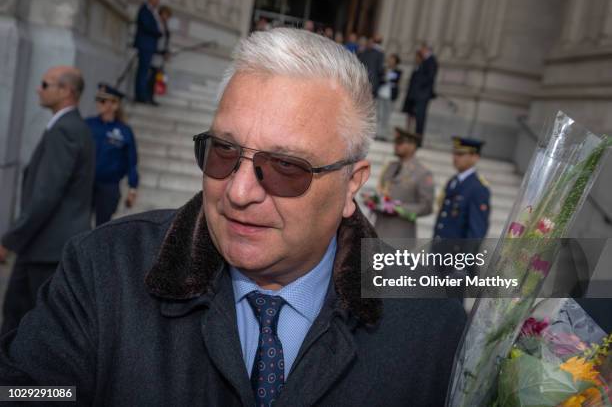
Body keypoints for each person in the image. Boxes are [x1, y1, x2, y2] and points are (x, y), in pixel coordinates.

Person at [0, 29, 465, 405]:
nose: (239, 192)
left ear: (352, 184)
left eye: (286, 167)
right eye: (224, 152)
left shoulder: (428, 318)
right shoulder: (106, 268)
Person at [0, 66, 94, 334]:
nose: (38, 89)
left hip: (46, 248)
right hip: (47, 246)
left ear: (66, 91)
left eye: (45, 83)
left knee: (22, 327)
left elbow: (46, 194)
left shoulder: (65, 130)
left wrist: (10, 240)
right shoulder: (71, 126)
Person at [86, 84, 139, 226]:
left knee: (102, 227)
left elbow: (131, 161)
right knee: (80, 225)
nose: (99, 104)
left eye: (103, 101)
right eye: (98, 99)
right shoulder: (88, 124)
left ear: (115, 105)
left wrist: (132, 189)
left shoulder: (124, 131)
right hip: (85, 183)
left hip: (109, 186)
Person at [375, 128, 434, 239]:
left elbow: (426, 207)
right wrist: (375, 202)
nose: (396, 145)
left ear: (413, 146)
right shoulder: (391, 166)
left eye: (400, 142)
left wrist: (398, 208)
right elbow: (383, 192)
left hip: (400, 235)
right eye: (396, 142)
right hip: (379, 230)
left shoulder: (422, 173)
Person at [434, 137, 490, 240]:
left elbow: (476, 231)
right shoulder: (453, 181)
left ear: (475, 157)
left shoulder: (477, 188)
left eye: (461, 154)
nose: (455, 157)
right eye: (454, 153)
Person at [401, 44, 438, 146]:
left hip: (422, 95)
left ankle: (418, 140)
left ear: (426, 49)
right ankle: (413, 138)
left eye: (422, 48)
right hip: (417, 94)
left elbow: (430, 77)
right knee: (414, 116)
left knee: (420, 118)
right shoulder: (424, 61)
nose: (420, 50)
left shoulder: (431, 61)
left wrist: (419, 86)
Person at [133, 0, 162, 105]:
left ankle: (143, 94)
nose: (157, 1)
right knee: (143, 71)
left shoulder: (152, 11)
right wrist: (158, 33)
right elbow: (146, 26)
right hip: (145, 45)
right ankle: (140, 96)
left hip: (149, 46)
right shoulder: (144, 10)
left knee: (145, 72)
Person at [147, 5, 172, 105]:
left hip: (161, 55)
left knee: (156, 77)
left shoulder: (165, 26)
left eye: (167, 15)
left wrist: (167, 52)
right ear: (161, 14)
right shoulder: (157, 24)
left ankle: (152, 97)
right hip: (154, 54)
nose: (166, 16)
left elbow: (166, 41)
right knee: (151, 77)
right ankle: (148, 97)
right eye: (165, 14)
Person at [375, 53, 402, 141]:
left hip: (390, 95)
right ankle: (377, 133)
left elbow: (396, 81)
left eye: (392, 60)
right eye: (390, 59)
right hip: (382, 93)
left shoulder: (398, 71)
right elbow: (381, 78)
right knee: (379, 114)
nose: (390, 61)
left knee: (386, 116)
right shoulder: (384, 69)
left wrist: (388, 79)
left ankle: (383, 134)